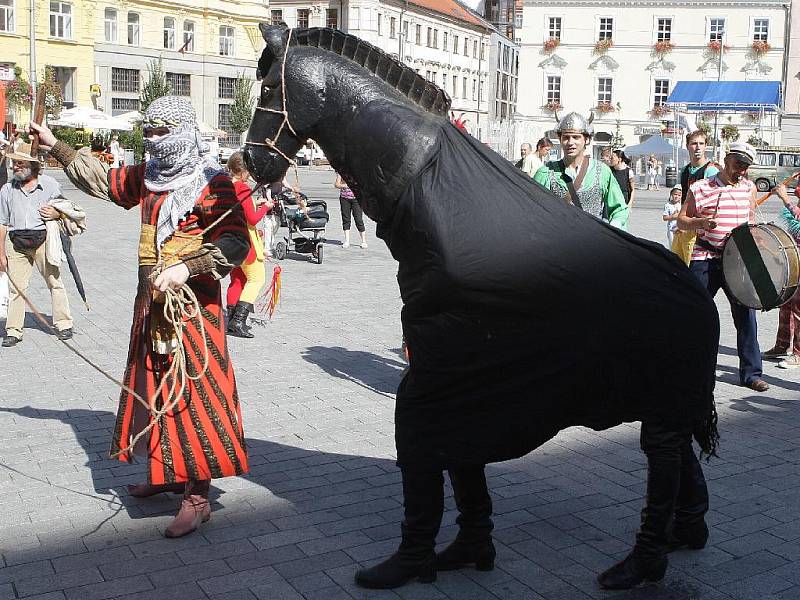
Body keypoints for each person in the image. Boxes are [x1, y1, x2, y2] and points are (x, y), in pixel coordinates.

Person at [30, 95, 251, 537]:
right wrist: (55, 143)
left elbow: (236, 242)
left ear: (183, 132)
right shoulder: (150, 176)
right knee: (151, 383)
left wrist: (188, 267)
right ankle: (165, 471)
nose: (151, 140)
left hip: (194, 306)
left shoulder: (213, 182)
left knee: (193, 393)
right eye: (146, 131)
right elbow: (106, 181)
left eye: (160, 132)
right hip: (150, 302)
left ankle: (196, 496)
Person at [677, 142, 769, 392]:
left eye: (746, 166)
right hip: (706, 256)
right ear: (726, 159)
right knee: (696, 313)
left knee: (746, 316)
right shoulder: (701, 187)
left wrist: (758, 238)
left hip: (737, 259)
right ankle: (687, 367)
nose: (742, 170)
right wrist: (702, 222)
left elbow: (749, 218)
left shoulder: (749, 187)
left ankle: (751, 374)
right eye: (738, 164)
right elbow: (682, 220)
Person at [0, 142, 74, 347]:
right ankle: (13, 330)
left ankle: (63, 323)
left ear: (32, 166)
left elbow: (66, 209)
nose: (15, 167)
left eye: (20, 163)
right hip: (16, 244)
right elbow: (2, 223)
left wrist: (56, 213)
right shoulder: (7, 189)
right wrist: (1, 253)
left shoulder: (49, 185)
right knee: (16, 288)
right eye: (14, 163)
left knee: (54, 282)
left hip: (43, 240)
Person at [533, 112, 628, 230]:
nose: (570, 142)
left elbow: (619, 209)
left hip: (592, 242)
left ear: (586, 139)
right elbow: (532, 210)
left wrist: (614, 230)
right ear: (560, 139)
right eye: (566, 137)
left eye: (576, 137)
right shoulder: (546, 172)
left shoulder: (602, 171)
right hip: (557, 243)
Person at [225, 151, 273, 338]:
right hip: (246, 241)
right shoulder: (243, 188)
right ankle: (238, 321)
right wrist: (265, 207)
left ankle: (230, 318)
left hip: (231, 240)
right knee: (256, 279)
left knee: (237, 279)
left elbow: (242, 209)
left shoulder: (228, 186)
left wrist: (255, 202)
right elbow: (252, 219)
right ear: (244, 171)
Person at [762, 183, 800, 369]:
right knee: (786, 305)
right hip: (795, 261)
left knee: (799, 310)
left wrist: (785, 198)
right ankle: (782, 345)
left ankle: (798, 353)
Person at [672, 130, 720, 266]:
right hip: (684, 227)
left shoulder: (711, 171)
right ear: (687, 146)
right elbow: (684, 199)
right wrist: (681, 221)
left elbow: (710, 203)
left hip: (699, 231)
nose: (698, 147)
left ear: (706, 146)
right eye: (694, 143)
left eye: (701, 143)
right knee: (677, 268)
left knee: (691, 271)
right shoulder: (685, 170)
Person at [336, 173, 367, 249]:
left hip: (356, 199)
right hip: (344, 198)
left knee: (358, 219)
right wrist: (344, 185)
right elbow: (336, 184)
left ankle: (363, 241)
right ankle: (347, 241)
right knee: (346, 219)